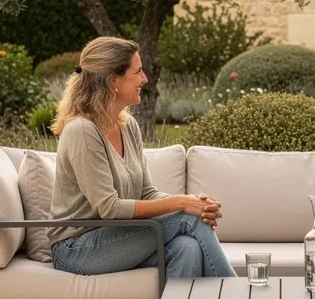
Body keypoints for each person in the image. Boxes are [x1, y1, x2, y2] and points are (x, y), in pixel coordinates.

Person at [48, 36, 236, 279]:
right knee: (191, 221)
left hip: (117, 238)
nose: (145, 79)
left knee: (186, 248)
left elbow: (147, 193)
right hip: (76, 249)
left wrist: (193, 202)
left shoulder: (128, 126)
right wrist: (182, 204)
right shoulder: (82, 131)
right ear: (113, 79)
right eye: (138, 72)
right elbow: (110, 208)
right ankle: (238, 292)